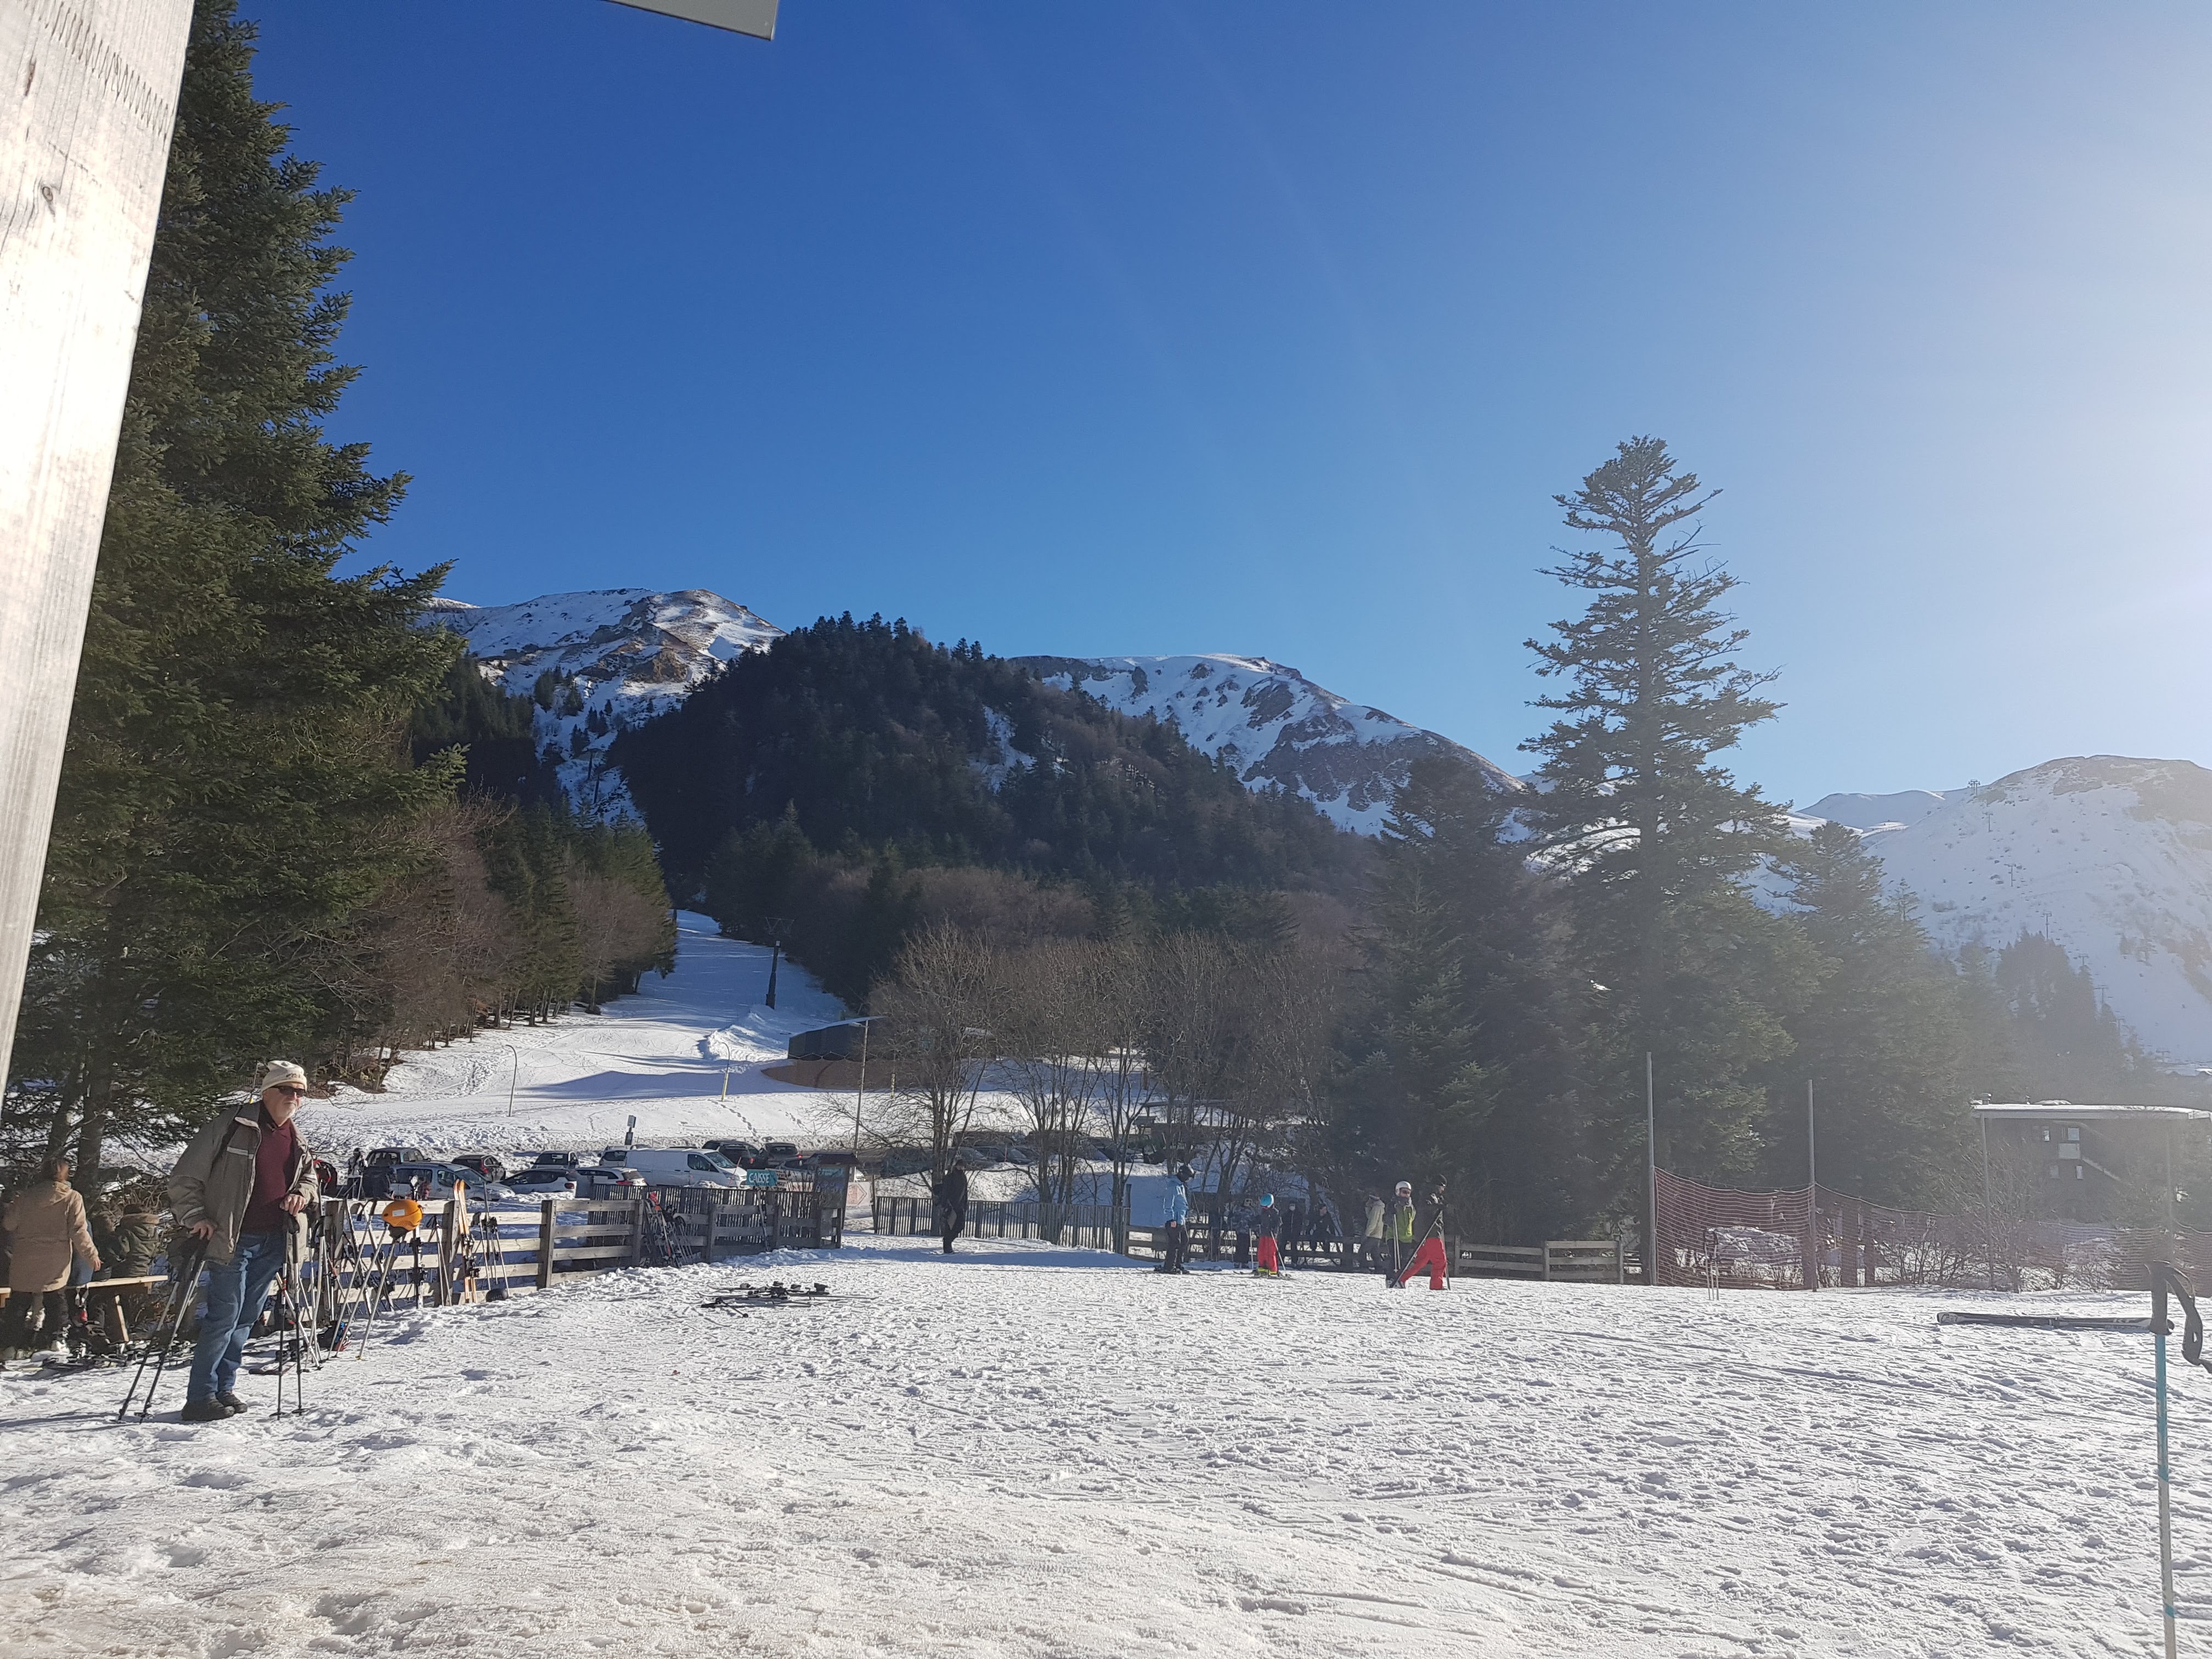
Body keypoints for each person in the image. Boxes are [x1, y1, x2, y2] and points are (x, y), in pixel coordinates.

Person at [169, 1060, 321, 1423]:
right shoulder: (231, 1125)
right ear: (268, 1092)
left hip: (273, 1241)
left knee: (246, 1318)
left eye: (300, 1092)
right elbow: (185, 1176)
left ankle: (223, 1388)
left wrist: (301, 1194)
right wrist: (195, 1217)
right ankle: (200, 1397)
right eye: (287, 1089)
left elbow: (310, 1180)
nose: (295, 1097)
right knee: (225, 1316)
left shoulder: (296, 1138)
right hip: (231, 1239)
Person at [1, 1157, 101, 1361]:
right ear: (66, 1175)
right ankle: (56, 1340)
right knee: (55, 1299)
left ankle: (10, 1346)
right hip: (56, 1257)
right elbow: (79, 1231)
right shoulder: (72, 1197)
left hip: (26, 1256)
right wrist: (92, 1255)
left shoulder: (25, 1197)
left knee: (19, 1302)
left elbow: (9, 1224)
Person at [1156, 1163, 1193, 1274]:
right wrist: (1171, 1219)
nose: (1188, 1180)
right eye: (1187, 1177)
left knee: (1184, 1241)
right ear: (1182, 1175)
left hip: (1181, 1219)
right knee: (1175, 1243)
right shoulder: (1173, 1186)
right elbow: (1168, 1205)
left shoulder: (1180, 1186)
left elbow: (1181, 1204)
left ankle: (1178, 1264)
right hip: (1174, 1221)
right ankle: (1169, 1267)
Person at [1383, 1180, 1417, 1287]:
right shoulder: (1393, 1205)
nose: (1406, 1195)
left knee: (1404, 1260)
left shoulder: (1411, 1207)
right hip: (1394, 1235)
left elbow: (1413, 1220)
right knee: (1394, 1258)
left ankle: (1400, 1279)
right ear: (1398, 1192)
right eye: (1404, 1192)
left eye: (1408, 1193)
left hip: (1406, 1237)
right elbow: (1386, 1219)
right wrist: (1390, 1217)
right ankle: (1390, 1279)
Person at [932, 1161, 969, 1255]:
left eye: (963, 1167)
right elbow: (945, 1192)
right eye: (960, 1166)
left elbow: (965, 1193)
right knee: (950, 1226)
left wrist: (965, 1204)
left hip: (960, 1206)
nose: (961, 1168)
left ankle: (948, 1242)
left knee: (960, 1226)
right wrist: (944, 1205)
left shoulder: (963, 1178)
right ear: (956, 1166)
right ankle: (947, 1247)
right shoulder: (950, 1177)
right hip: (951, 1205)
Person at [1253, 1193, 1283, 1277]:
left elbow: (1279, 1222)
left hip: (1271, 1234)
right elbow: (1260, 1219)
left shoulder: (1275, 1212)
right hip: (1264, 1233)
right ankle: (1263, 1266)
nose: (1265, 1208)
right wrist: (1253, 1222)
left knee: (1269, 1252)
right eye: (1263, 1207)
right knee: (1261, 1251)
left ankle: (1273, 1269)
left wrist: (1274, 1227)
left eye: (1266, 1207)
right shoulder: (1264, 1212)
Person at [1362, 1193, 1385, 1272]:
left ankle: (1364, 1268)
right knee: (1375, 1253)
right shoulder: (1378, 1208)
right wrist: (1368, 1208)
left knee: (1362, 1251)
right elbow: (1370, 1217)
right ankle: (1379, 1269)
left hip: (1373, 1234)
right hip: (1378, 1234)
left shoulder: (1376, 1208)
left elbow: (1373, 1223)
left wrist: (1367, 1234)